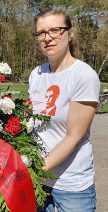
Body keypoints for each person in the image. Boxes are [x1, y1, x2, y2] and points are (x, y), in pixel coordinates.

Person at [29, 7, 100, 212]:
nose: (47, 38)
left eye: (55, 30)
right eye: (41, 32)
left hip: (71, 186)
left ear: (70, 33)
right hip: (40, 182)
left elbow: (72, 136)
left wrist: (33, 169)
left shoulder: (83, 76)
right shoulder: (37, 73)